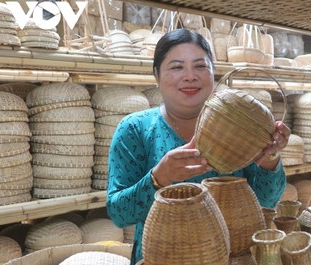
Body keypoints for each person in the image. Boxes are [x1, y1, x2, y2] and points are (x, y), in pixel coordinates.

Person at [106, 28, 290, 264]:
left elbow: (266, 202)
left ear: (214, 73)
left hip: (229, 257)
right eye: (176, 67)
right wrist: (159, 177)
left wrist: (270, 158)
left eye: (200, 66)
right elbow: (119, 214)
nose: (190, 76)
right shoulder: (135, 129)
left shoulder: (239, 127)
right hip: (159, 258)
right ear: (156, 75)